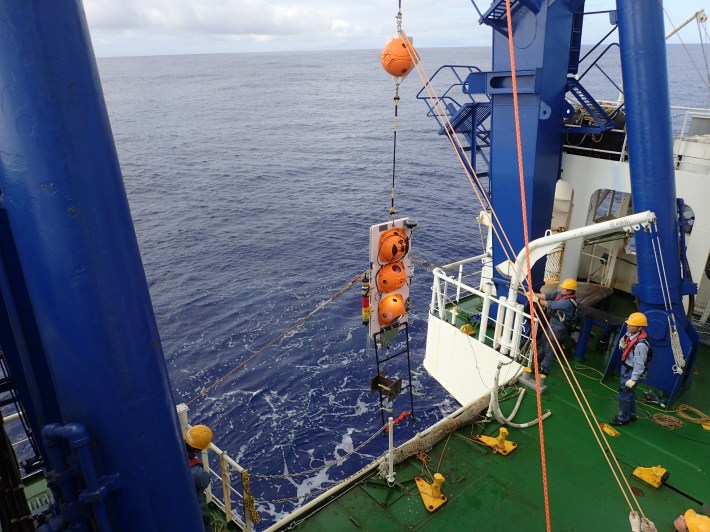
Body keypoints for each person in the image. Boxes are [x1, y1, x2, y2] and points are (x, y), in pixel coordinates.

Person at [532, 278, 578, 376]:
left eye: (564, 288)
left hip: (558, 327)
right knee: (544, 339)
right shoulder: (562, 294)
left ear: (569, 291)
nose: (561, 289)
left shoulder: (567, 302)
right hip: (552, 322)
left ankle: (545, 369)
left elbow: (551, 304)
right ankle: (539, 357)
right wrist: (533, 294)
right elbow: (548, 296)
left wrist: (537, 300)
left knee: (550, 346)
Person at [610, 312, 649, 426]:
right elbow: (624, 342)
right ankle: (631, 414)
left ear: (640, 327)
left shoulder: (641, 345)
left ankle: (623, 418)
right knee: (630, 393)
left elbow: (639, 364)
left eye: (632, 325)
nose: (628, 326)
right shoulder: (630, 334)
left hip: (631, 371)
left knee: (624, 394)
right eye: (629, 324)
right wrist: (621, 345)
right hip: (626, 367)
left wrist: (634, 379)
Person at [185, 424, 213, 531]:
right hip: (194, 507)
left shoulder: (173, 452)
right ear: (198, 450)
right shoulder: (198, 473)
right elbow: (205, 481)